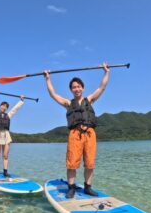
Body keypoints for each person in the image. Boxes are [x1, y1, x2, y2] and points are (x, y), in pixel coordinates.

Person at [44, 63, 110, 198]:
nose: (77, 89)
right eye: (74, 87)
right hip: (75, 135)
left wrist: (106, 72)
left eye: (79, 86)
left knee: (90, 163)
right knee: (72, 163)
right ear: (71, 90)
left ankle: (88, 187)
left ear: (83, 88)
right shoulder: (68, 103)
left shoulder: (90, 100)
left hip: (90, 134)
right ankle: (71, 188)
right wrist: (48, 79)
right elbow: (53, 94)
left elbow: (102, 87)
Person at [0, 90, 25, 179]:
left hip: (6, 136)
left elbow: (15, 109)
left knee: (5, 156)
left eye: (6, 107)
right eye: (3, 105)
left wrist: (21, 101)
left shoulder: (8, 115)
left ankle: (5, 172)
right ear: (0, 106)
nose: (4, 107)